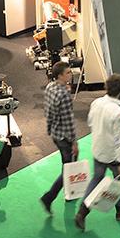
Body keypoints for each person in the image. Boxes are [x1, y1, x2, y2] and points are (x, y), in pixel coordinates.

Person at [74, 74, 120, 231]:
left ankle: (82, 212)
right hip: (113, 155)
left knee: (96, 179)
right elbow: (119, 140)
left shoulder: (96, 103)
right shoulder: (118, 112)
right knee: (119, 181)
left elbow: (89, 121)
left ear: (106, 87)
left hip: (98, 150)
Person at [40, 61, 78, 213]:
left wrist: (50, 129)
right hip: (65, 137)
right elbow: (69, 121)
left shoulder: (50, 87)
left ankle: (69, 193)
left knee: (68, 166)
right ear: (60, 75)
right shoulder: (64, 95)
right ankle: (49, 197)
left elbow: (48, 112)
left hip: (56, 134)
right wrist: (74, 142)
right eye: (68, 72)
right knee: (68, 169)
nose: (71, 74)